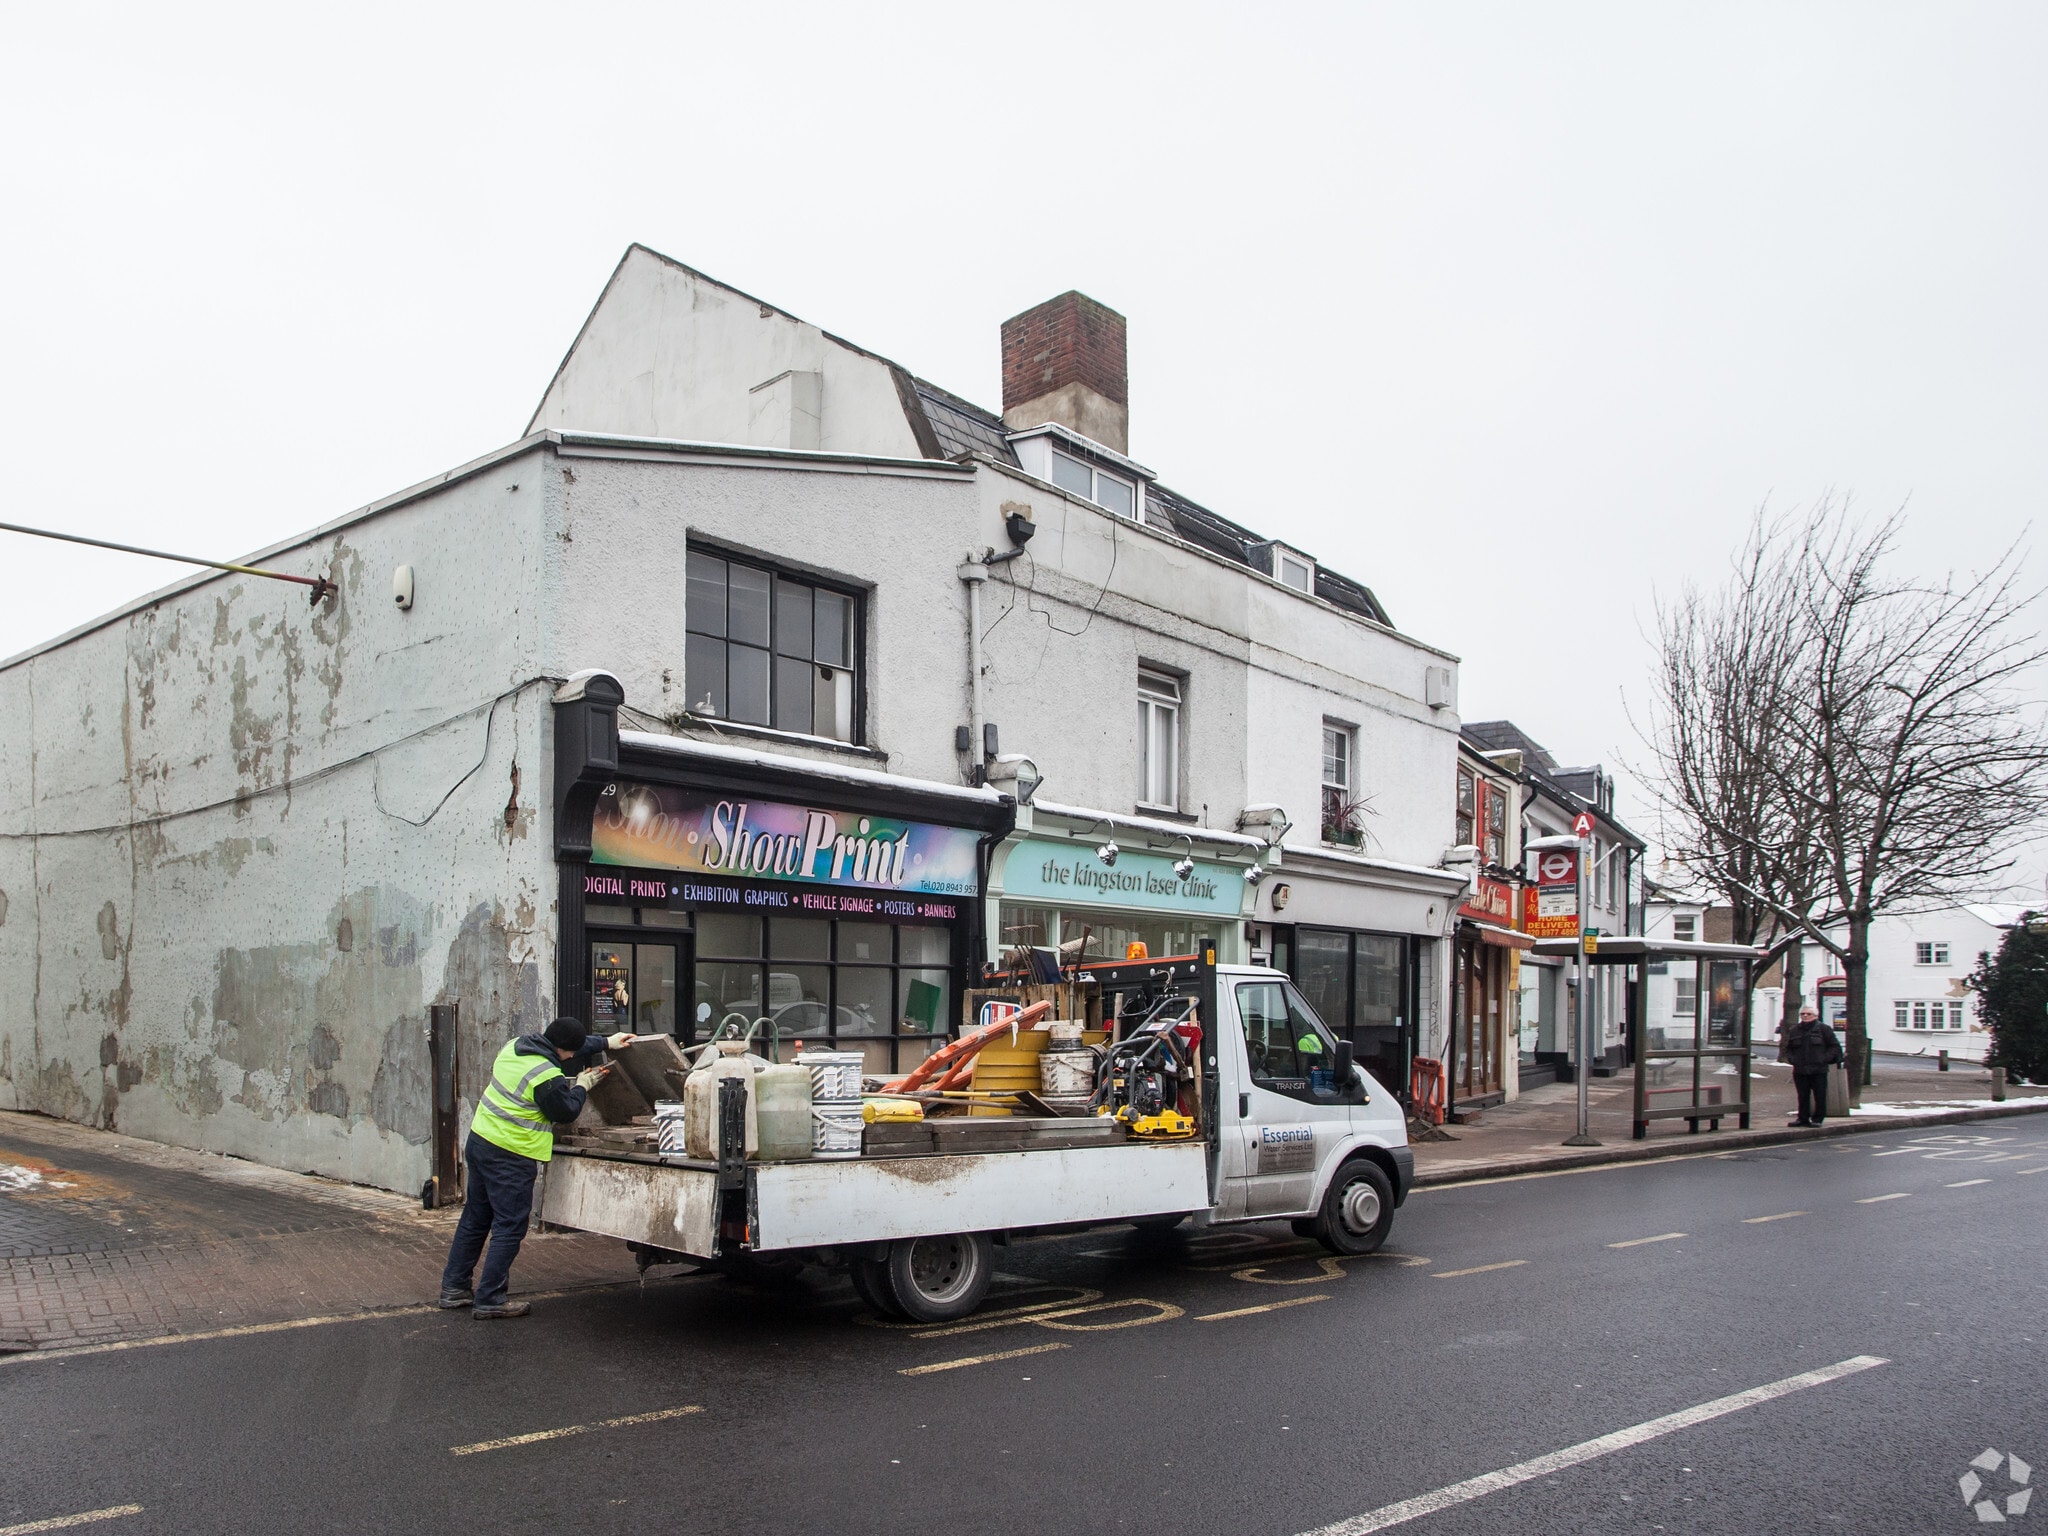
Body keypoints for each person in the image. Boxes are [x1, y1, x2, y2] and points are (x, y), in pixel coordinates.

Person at [440, 1016, 634, 1319]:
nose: (573, 1057)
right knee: (509, 1226)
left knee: (476, 1218)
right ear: (563, 1050)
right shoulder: (547, 1075)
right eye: (572, 1052)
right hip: (511, 1155)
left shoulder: (516, 1045)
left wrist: (608, 1042)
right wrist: (583, 1085)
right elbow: (566, 1111)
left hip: (480, 1142)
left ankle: (454, 1289)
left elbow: (571, 1045)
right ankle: (490, 1299)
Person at [1784, 1004, 1843, 1128]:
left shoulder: (1824, 1029)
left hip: (1818, 1069)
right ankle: (1802, 1118)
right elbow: (1788, 1048)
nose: (1805, 1016)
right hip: (1800, 1069)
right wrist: (1792, 1059)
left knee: (1819, 1095)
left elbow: (1834, 1046)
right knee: (1802, 1095)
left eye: (1808, 1014)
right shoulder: (1795, 1030)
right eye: (1803, 1014)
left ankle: (1818, 1119)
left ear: (1815, 1016)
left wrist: (1824, 1059)